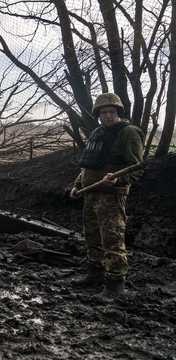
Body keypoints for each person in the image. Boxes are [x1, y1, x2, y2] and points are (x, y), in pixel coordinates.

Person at [69, 92, 144, 300]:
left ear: (118, 113)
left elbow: (137, 168)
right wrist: (77, 185)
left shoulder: (128, 133)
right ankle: (94, 274)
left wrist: (118, 180)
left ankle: (114, 286)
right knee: (92, 237)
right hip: (90, 193)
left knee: (112, 239)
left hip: (111, 196)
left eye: (112, 112)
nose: (108, 116)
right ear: (98, 115)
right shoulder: (97, 133)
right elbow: (88, 163)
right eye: (104, 112)